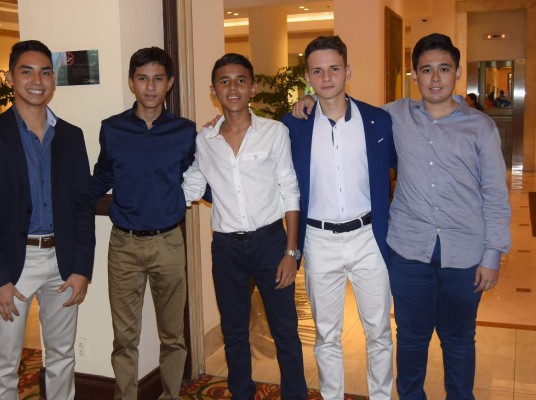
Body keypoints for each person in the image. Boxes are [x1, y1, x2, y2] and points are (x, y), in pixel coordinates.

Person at [0, 40, 95, 399]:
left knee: (62, 355)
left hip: (63, 262)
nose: (37, 80)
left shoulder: (71, 136)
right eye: (27, 71)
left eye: (45, 72)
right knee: (5, 360)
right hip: (12, 264)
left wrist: (81, 267)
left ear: (53, 79)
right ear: (10, 77)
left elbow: (83, 205)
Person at [383, 33, 511, 400]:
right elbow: (347, 112)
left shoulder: (480, 126)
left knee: (458, 339)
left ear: (457, 72)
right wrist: (310, 100)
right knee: (411, 338)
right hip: (409, 251)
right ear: (415, 75)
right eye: (426, 70)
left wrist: (492, 255)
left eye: (444, 68)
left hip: (465, 253)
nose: (435, 78)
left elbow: (496, 195)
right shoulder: (394, 115)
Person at [182, 53, 307, 400]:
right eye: (224, 81)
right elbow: (192, 186)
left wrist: (291, 252)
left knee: (285, 330)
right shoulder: (205, 140)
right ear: (214, 91)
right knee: (234, 331)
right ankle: (242, 394)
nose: (233, 87)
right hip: (227, 249)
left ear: (251, 88)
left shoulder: (274, 132)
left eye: (240, 80)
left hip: (271, 244)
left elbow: (290, 191)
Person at [281, 36, 396, 400]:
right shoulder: (292, 126)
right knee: (326, 334)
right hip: (319, 241)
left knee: (379, 331)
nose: (326, 77)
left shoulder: (378, 121)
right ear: (307, 77)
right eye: (317, 71)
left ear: (348, 71)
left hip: (368, 237)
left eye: (334, 68)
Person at [92, 47, 196, 400]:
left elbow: (199, 177)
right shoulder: (112, 129)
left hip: (169, 243)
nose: (150, 87)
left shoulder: (185, 131)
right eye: (142, 78)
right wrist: (66, 200)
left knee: (173, 337)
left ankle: (171, 395)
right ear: (131, 83)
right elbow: (102, 175)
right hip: (124, 245)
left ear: (169, 83)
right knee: (124, 339)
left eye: (157, 79)